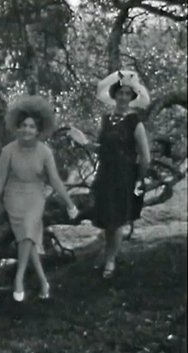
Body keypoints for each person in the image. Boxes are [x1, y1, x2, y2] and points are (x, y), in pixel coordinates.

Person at [0, 96, 78, 302]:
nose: (27, 130)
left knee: (27, 232)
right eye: (24, 126)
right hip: (13, 196)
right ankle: (43, 281)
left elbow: (54, 179)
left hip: (35, 196)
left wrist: (69, 203)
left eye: (32, 127)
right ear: (17, 127)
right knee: (28, 238)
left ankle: (19, 278)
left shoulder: (45, 151)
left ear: (39, 129)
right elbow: (1, 179)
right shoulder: (8, 151)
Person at [68, 70, 151, 279]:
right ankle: (108, 256)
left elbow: (145, 155)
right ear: (114, 95)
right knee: (106, 219)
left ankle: (111, 261)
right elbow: (103, 148)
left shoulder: (135, 122)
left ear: (132, 97)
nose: (123, 97)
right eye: (120, 93)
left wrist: (139, 180)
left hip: (124, 176)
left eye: (127, 94)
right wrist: (85, 142)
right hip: (105, 174)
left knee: (116, 220)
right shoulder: (106, 119)